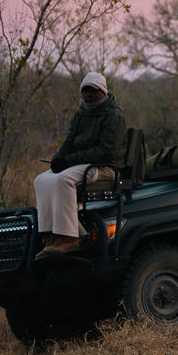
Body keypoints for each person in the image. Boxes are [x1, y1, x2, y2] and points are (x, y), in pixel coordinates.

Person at [34, 72, 125, 256]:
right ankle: (51, 236)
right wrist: (59, 158)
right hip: (82, 164)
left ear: (103, 91)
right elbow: (69, 141)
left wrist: (69, 161)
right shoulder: (81, 113)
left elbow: (105, 151)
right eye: (85, 91)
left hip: (105, 167)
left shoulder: (113, 115)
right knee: (41, 180)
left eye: (93, 90)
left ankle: (70, 238)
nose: (89, 95)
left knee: (64, 180)